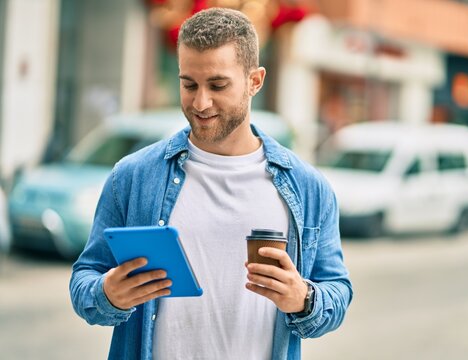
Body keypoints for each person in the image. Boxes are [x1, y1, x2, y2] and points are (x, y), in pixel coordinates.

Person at [70, 7, 352, 360]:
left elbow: (337, 293)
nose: (200, 102)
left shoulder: (308, 187)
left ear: (255, 81)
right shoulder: (132, 176)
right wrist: (108, 294)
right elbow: (84, 281)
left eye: (217, 85)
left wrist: (304, 299)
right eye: (189, 84)